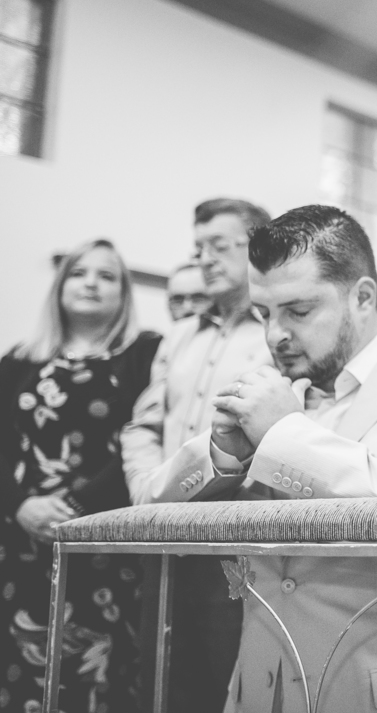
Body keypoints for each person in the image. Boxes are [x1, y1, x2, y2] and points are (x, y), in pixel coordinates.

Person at [140, 205, 377, 712]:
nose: (274, 334)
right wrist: (222, 455)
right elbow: (148, 516)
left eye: (297, 311)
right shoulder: (276, 395)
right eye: (263, 313)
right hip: (261, 696)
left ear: (362, 296)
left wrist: (284, 437)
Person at [121, 198, 272, 713]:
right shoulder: (180, 334)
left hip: (237, 535)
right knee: (160, 679)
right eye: (199, 247)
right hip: (163, 533)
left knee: (226, 682)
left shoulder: (276, 332)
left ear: (257, 248)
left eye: (219, 246)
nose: (205, 258)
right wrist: (146, 489)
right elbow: (143, 424)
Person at [0, 239, 161, 713]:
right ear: (60, 286)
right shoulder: (18, 360)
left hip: (103, 543)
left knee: (102, 677)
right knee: (21, 675)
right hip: (23, 544)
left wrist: (75, 510)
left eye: (106, 276)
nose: (91, 283)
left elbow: (145, 438)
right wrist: (19, 505)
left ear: (124, 293)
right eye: (79, 273)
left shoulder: (144, 353)